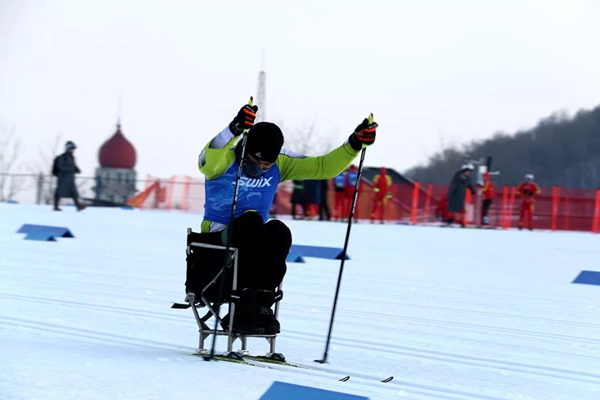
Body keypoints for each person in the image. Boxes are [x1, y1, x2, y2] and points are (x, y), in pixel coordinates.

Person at [186, 102, 377, 334]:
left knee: (278, 230)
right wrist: (234, 129)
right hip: (216, 247)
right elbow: (208, 160)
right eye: (256, 163)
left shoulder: (282, 163)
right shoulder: (226, 159)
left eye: (268, 165)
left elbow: (321, 167)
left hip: (252, 247)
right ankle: (243, 308)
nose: (262, 169)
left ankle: (260, 305)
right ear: (245, 152)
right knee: (251, 222)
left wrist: (354, 145)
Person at [53, 141, 85, 212]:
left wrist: (77, 169)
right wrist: (71, 169)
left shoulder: (72, 157)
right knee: (59, 191)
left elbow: (73, 165)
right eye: (71, 148)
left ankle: (78, 205)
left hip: (70, 178)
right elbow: (61, 166)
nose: (73, 150)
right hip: (63, 178)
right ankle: (55, 206)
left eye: (73, 149)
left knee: (73, 192)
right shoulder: (62, 157)